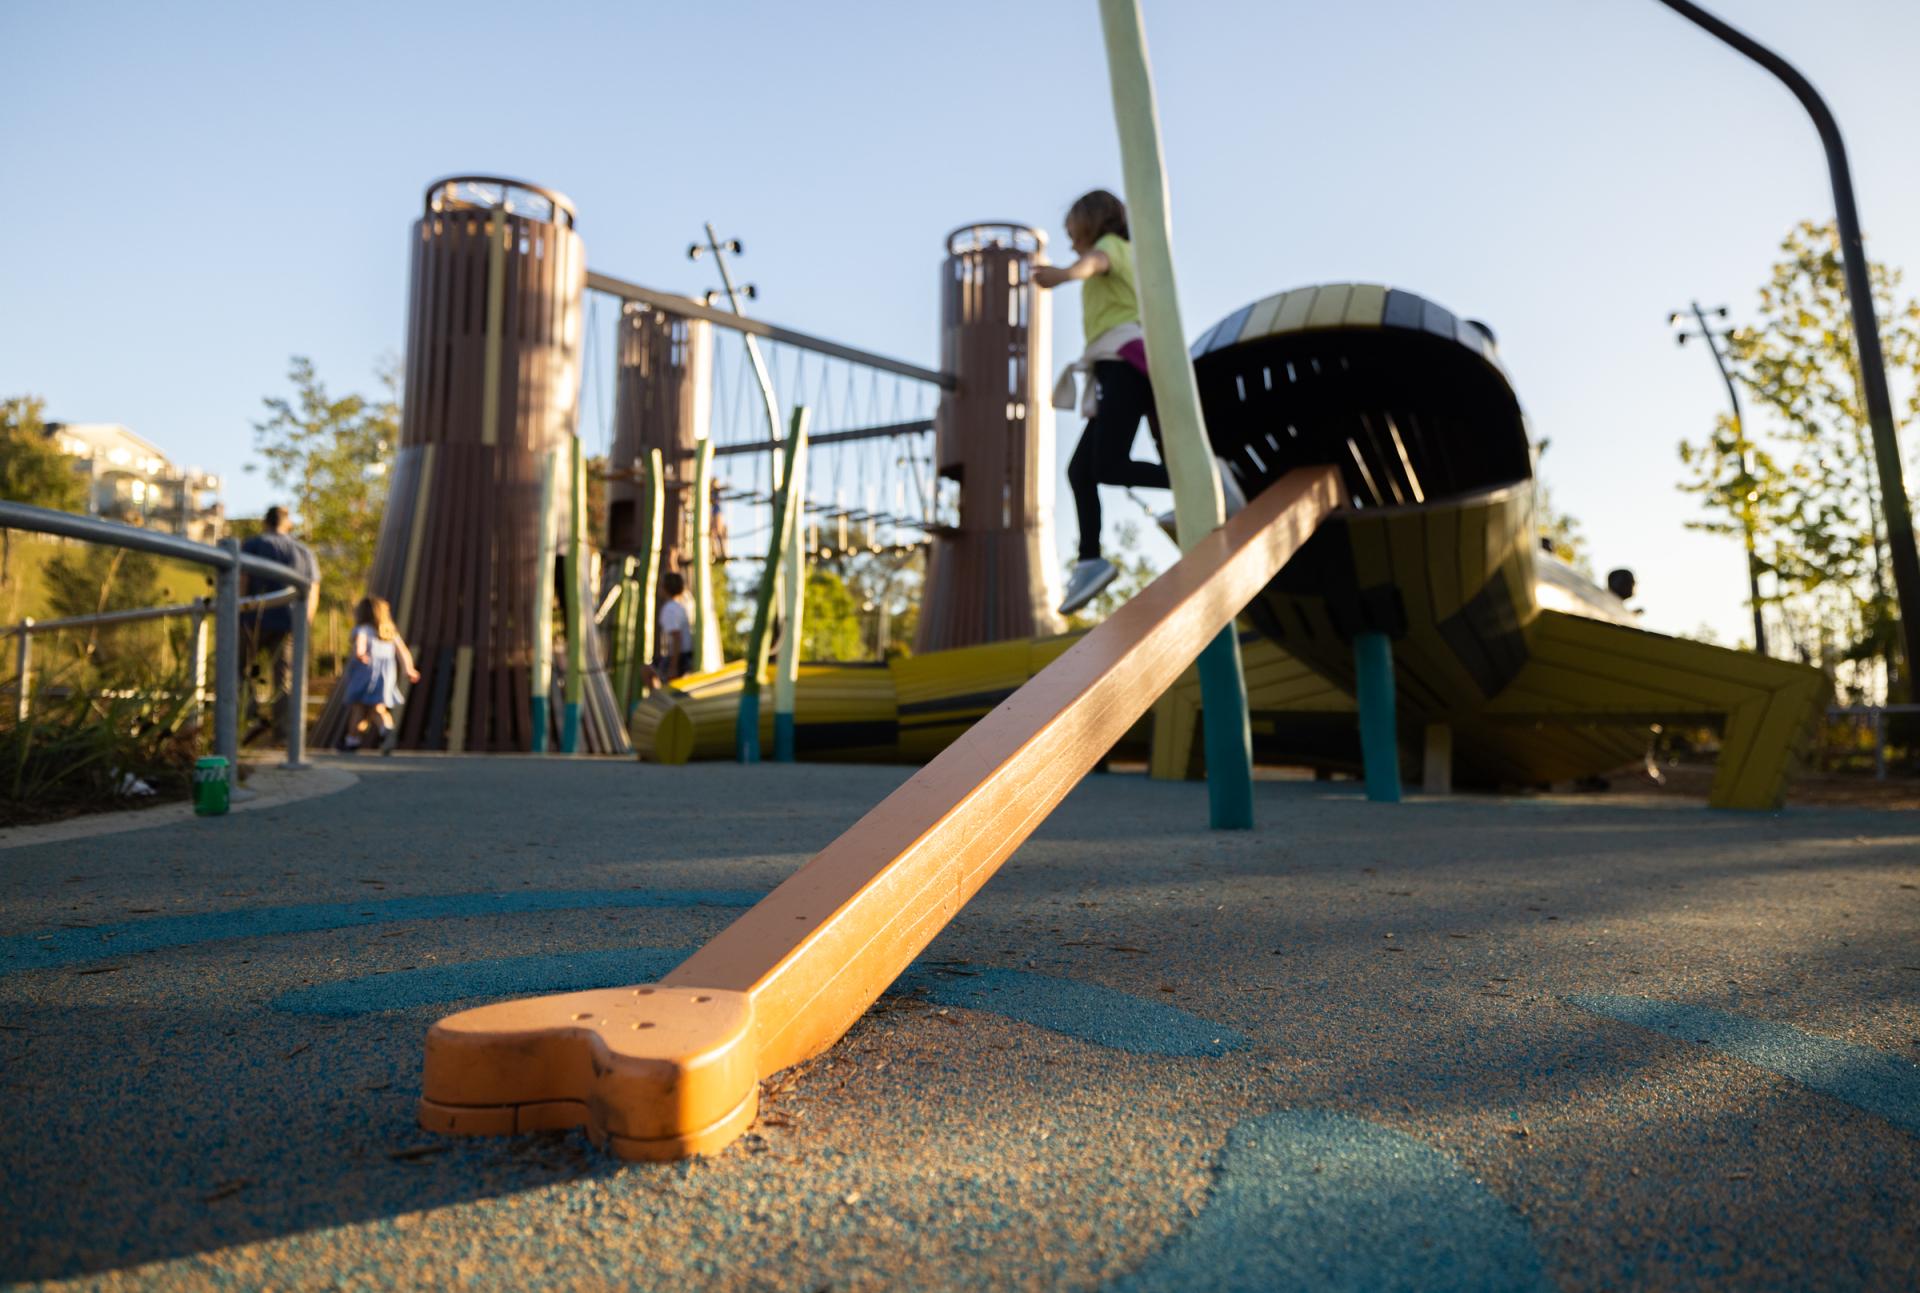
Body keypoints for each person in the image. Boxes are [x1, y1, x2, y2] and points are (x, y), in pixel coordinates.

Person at [1034, 189, 1243, 615]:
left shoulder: (1111, 249)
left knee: (1107, 465)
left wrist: (1062, 275)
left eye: (1072, 232)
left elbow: (1091, 264)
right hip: (1115, 368)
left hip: (1127, 364)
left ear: (1091, 224)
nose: (1071, 241)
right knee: (1080, 471)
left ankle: (1205, 477)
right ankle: (1090, 560)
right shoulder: (1119, 252)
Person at [238, 505, 319, 744]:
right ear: (288, 523)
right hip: (290, 622)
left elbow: (243, 579)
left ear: (265, 522)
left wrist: (240, 612)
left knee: (240, 671)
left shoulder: (253, 545)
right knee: (284, 679)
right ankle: (284, 735)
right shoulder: (303, 551)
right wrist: (306, 621)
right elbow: (312, 588)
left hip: (253, 618)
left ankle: (250, 721)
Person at [339, 596, 418, 754]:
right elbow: (403, 651)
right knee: (379, 708)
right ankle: (387, 729)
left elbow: (360, 644)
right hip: (386, 676)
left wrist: (361, 654)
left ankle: (352, 740)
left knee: (359, 708)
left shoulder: (363, 629)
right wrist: (408, 669)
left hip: (364, 674)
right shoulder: (390, 633)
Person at [654, 570, 693, 686]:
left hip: (680, 656)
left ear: (665, 588)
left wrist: (673, 666)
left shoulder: (669, 609)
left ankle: (659, 700)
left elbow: (677, 637)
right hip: (686, 654)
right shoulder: (682, 605)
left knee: (648, 671)